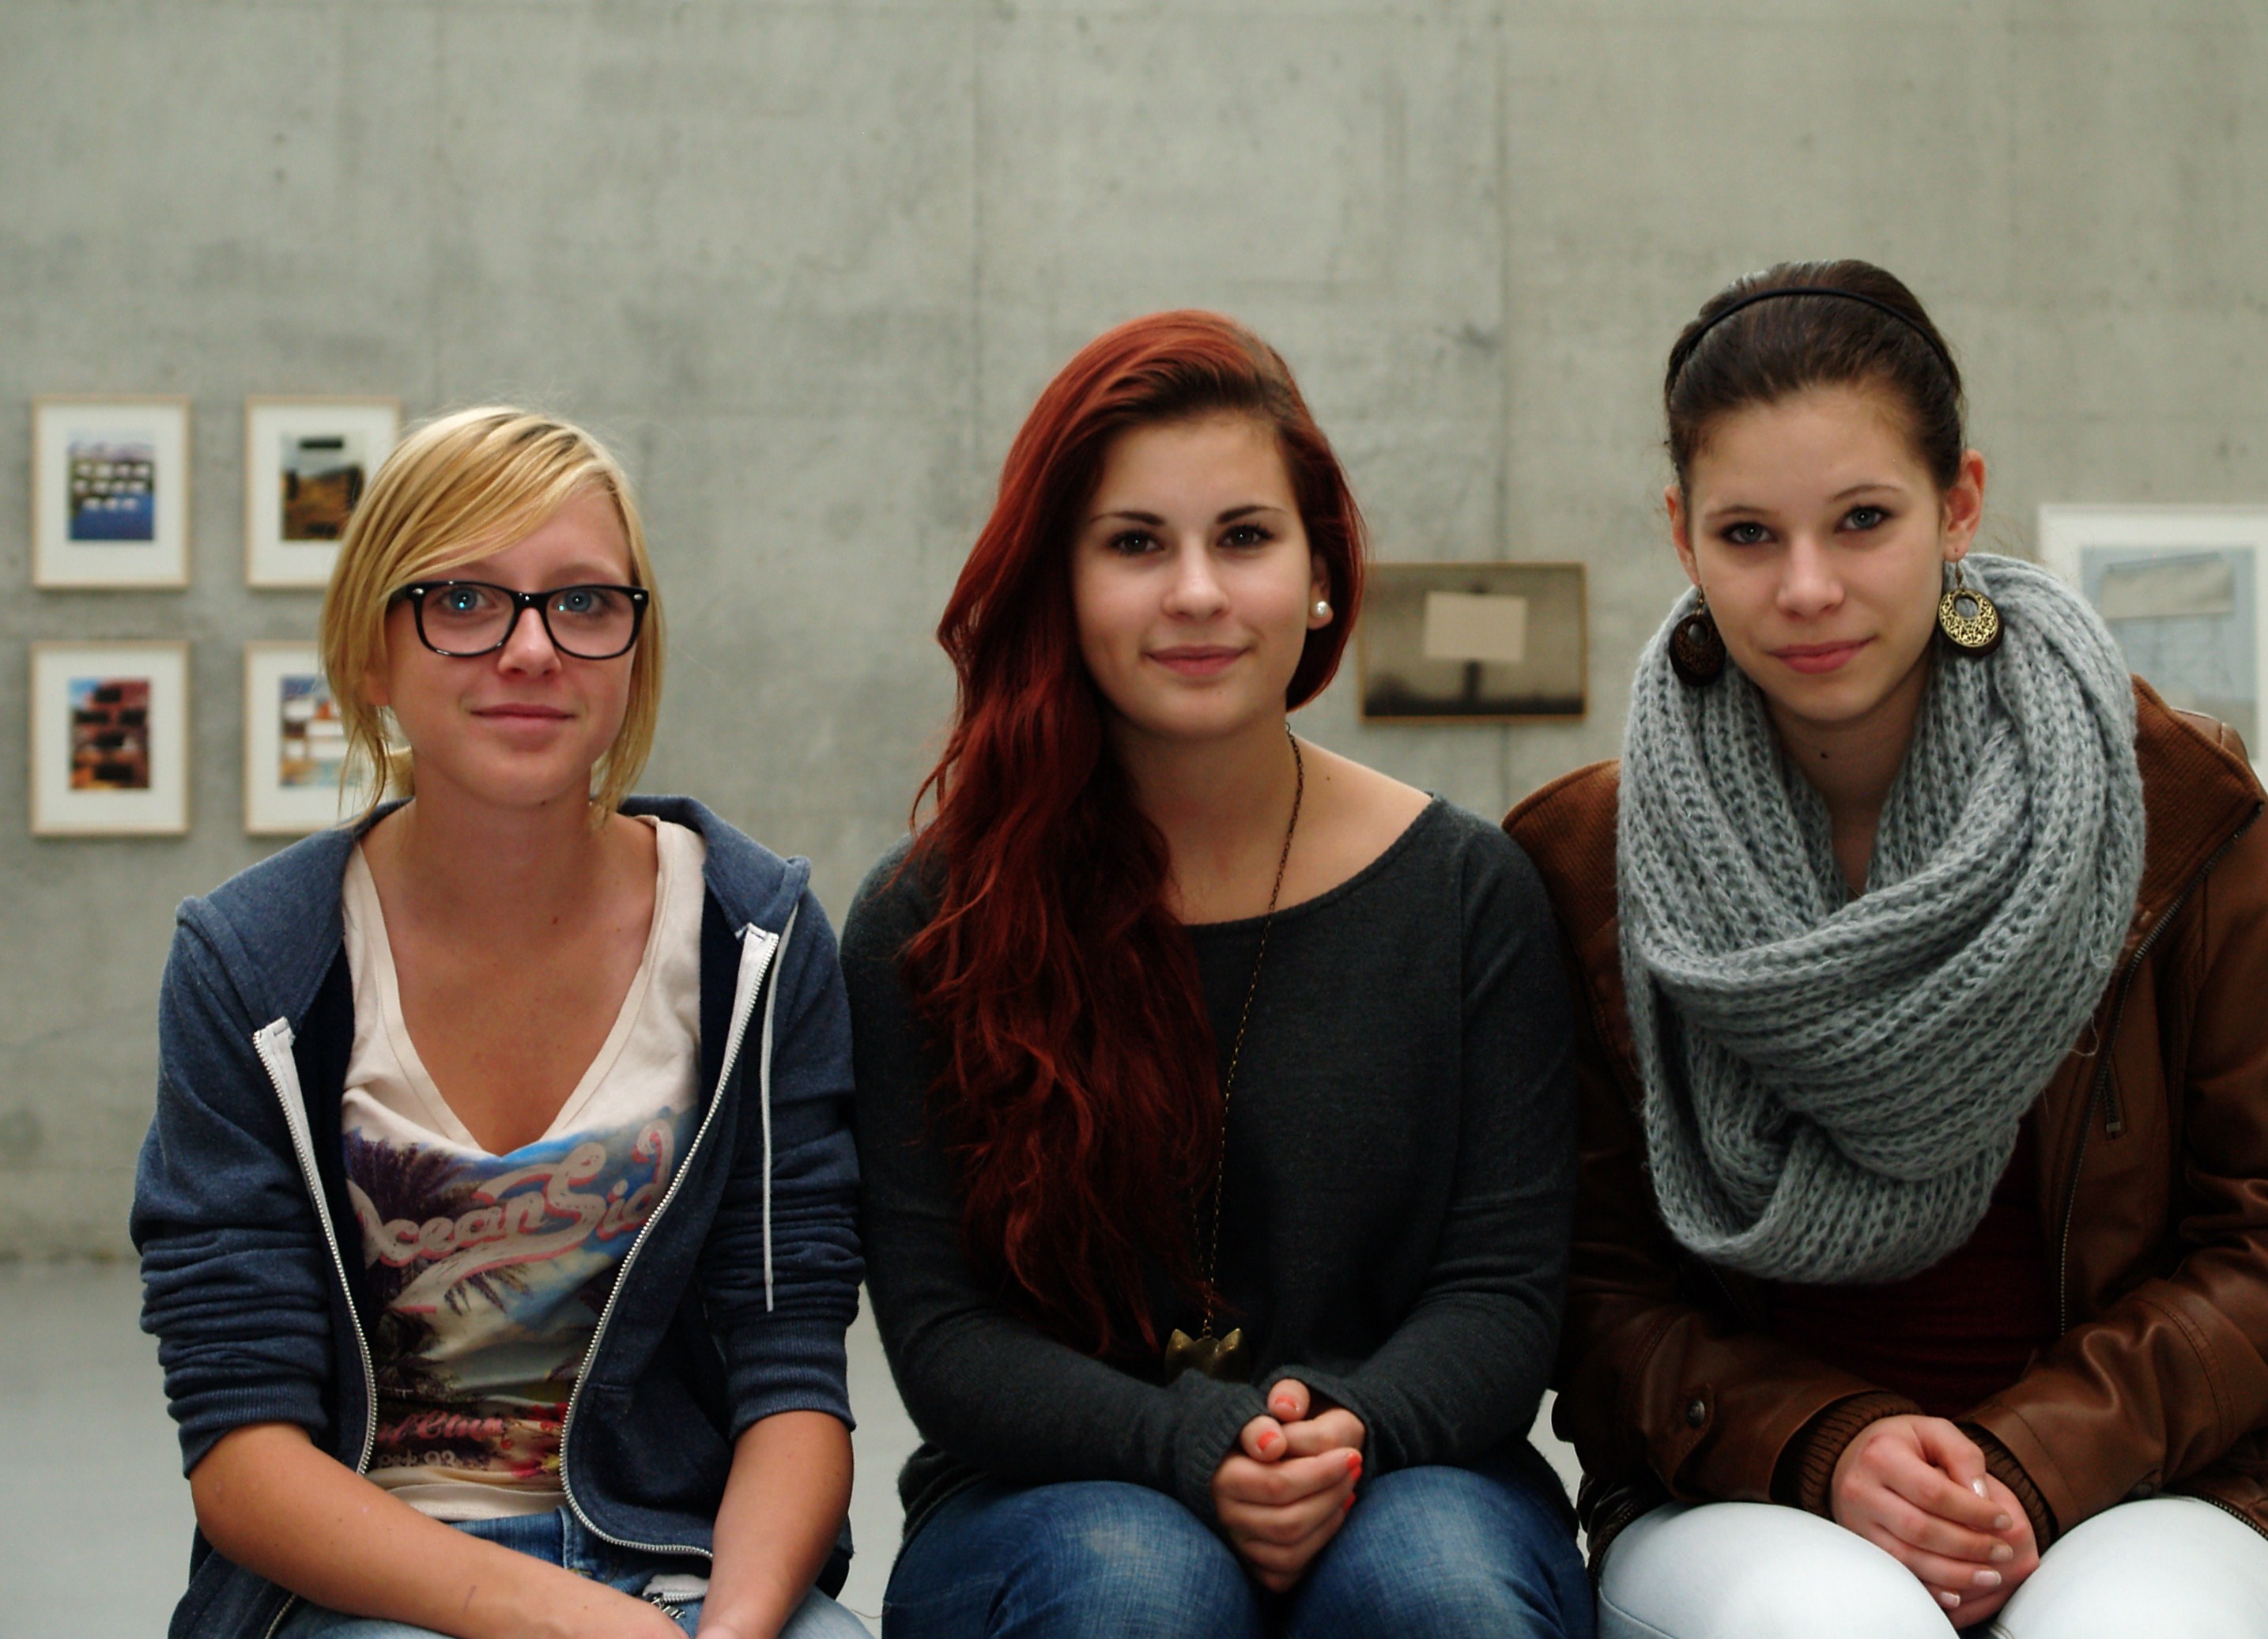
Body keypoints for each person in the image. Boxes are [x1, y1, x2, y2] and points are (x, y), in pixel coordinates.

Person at [1506, 260, 2268, 1637]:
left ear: (1958, 502)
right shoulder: (1579, 865)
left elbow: (2255, 1241)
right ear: (1680, 534)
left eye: (1862, 519)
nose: (1808, 587)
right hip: (1741, 1487)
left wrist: (2029, 1462)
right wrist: (1825, 1444)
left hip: (2141, 1479)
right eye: (1747, 533)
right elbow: (1588, 1292)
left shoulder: (2182, 811)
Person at [841, 312, 1592, 1639]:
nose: (1195, 591)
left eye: (1243, 537)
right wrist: (1182, 1442)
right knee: (1137, 1590)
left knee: (1434, 1591)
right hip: (1045, 1490)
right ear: (1061, 581)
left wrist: (1347, 1429)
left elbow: (1502, 1293)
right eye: (1135, 544)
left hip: (1417, 1467)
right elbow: (944, 1333)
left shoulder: (1470, 894)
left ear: (1320, 574)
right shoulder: (932, 917)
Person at [132, 408, 869, 1639]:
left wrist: (731, 1633)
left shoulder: (752, 938)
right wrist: (572, 1624)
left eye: (582, 602)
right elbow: (242, 1446)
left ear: (633, 646)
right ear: (371, 652)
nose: (531, 648)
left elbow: (789, 1372)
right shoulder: (250, 966)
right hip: (368, 1583)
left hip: (680, 1561)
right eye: (464, 600)